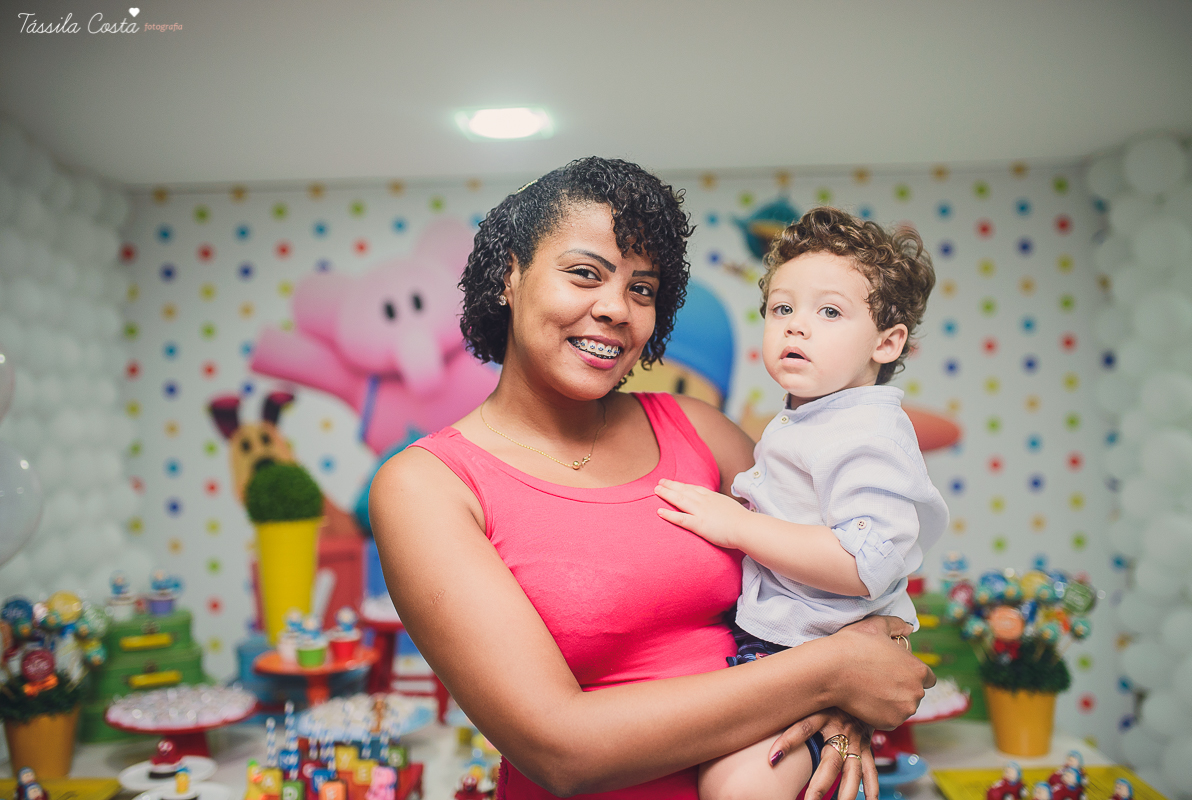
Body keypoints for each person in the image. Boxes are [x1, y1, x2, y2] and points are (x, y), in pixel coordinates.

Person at [369, 158, 934, 800]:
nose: (616, 308)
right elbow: (561, 750)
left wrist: (847, 703)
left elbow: (859, 580)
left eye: (642, 289)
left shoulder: (699, 430)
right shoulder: (428, 486)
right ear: (509, 276)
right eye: (585, 274)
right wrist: (829, 676)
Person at [654, 207, 948, 800]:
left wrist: (738, 527)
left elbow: (864, 564)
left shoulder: (867, 433)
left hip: (811, 658)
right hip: (780, 650)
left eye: (829, 312)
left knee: (737, 788)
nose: (796, 328)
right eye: (782, 309)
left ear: (887, 342)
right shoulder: (811, 418)